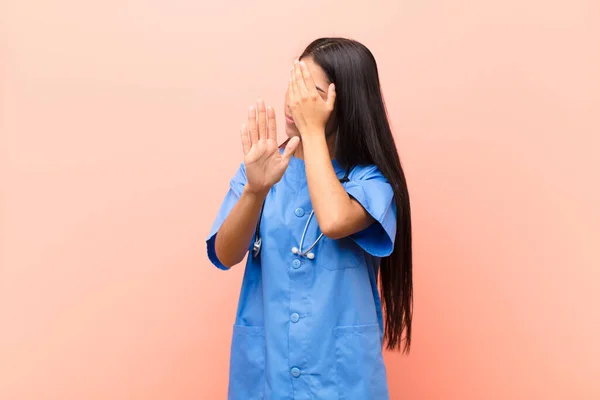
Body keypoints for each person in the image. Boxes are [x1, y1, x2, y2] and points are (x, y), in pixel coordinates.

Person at [206, 37, 413, 400]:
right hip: (267, 375)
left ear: (343, 104)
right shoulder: (264, 168)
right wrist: (255, 190)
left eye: (310, 92)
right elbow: (225, 254)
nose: (293, 101)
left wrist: (312, 129)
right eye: (294, 83)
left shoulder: (370, 181)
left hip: (343, 381)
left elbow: (333, 220)